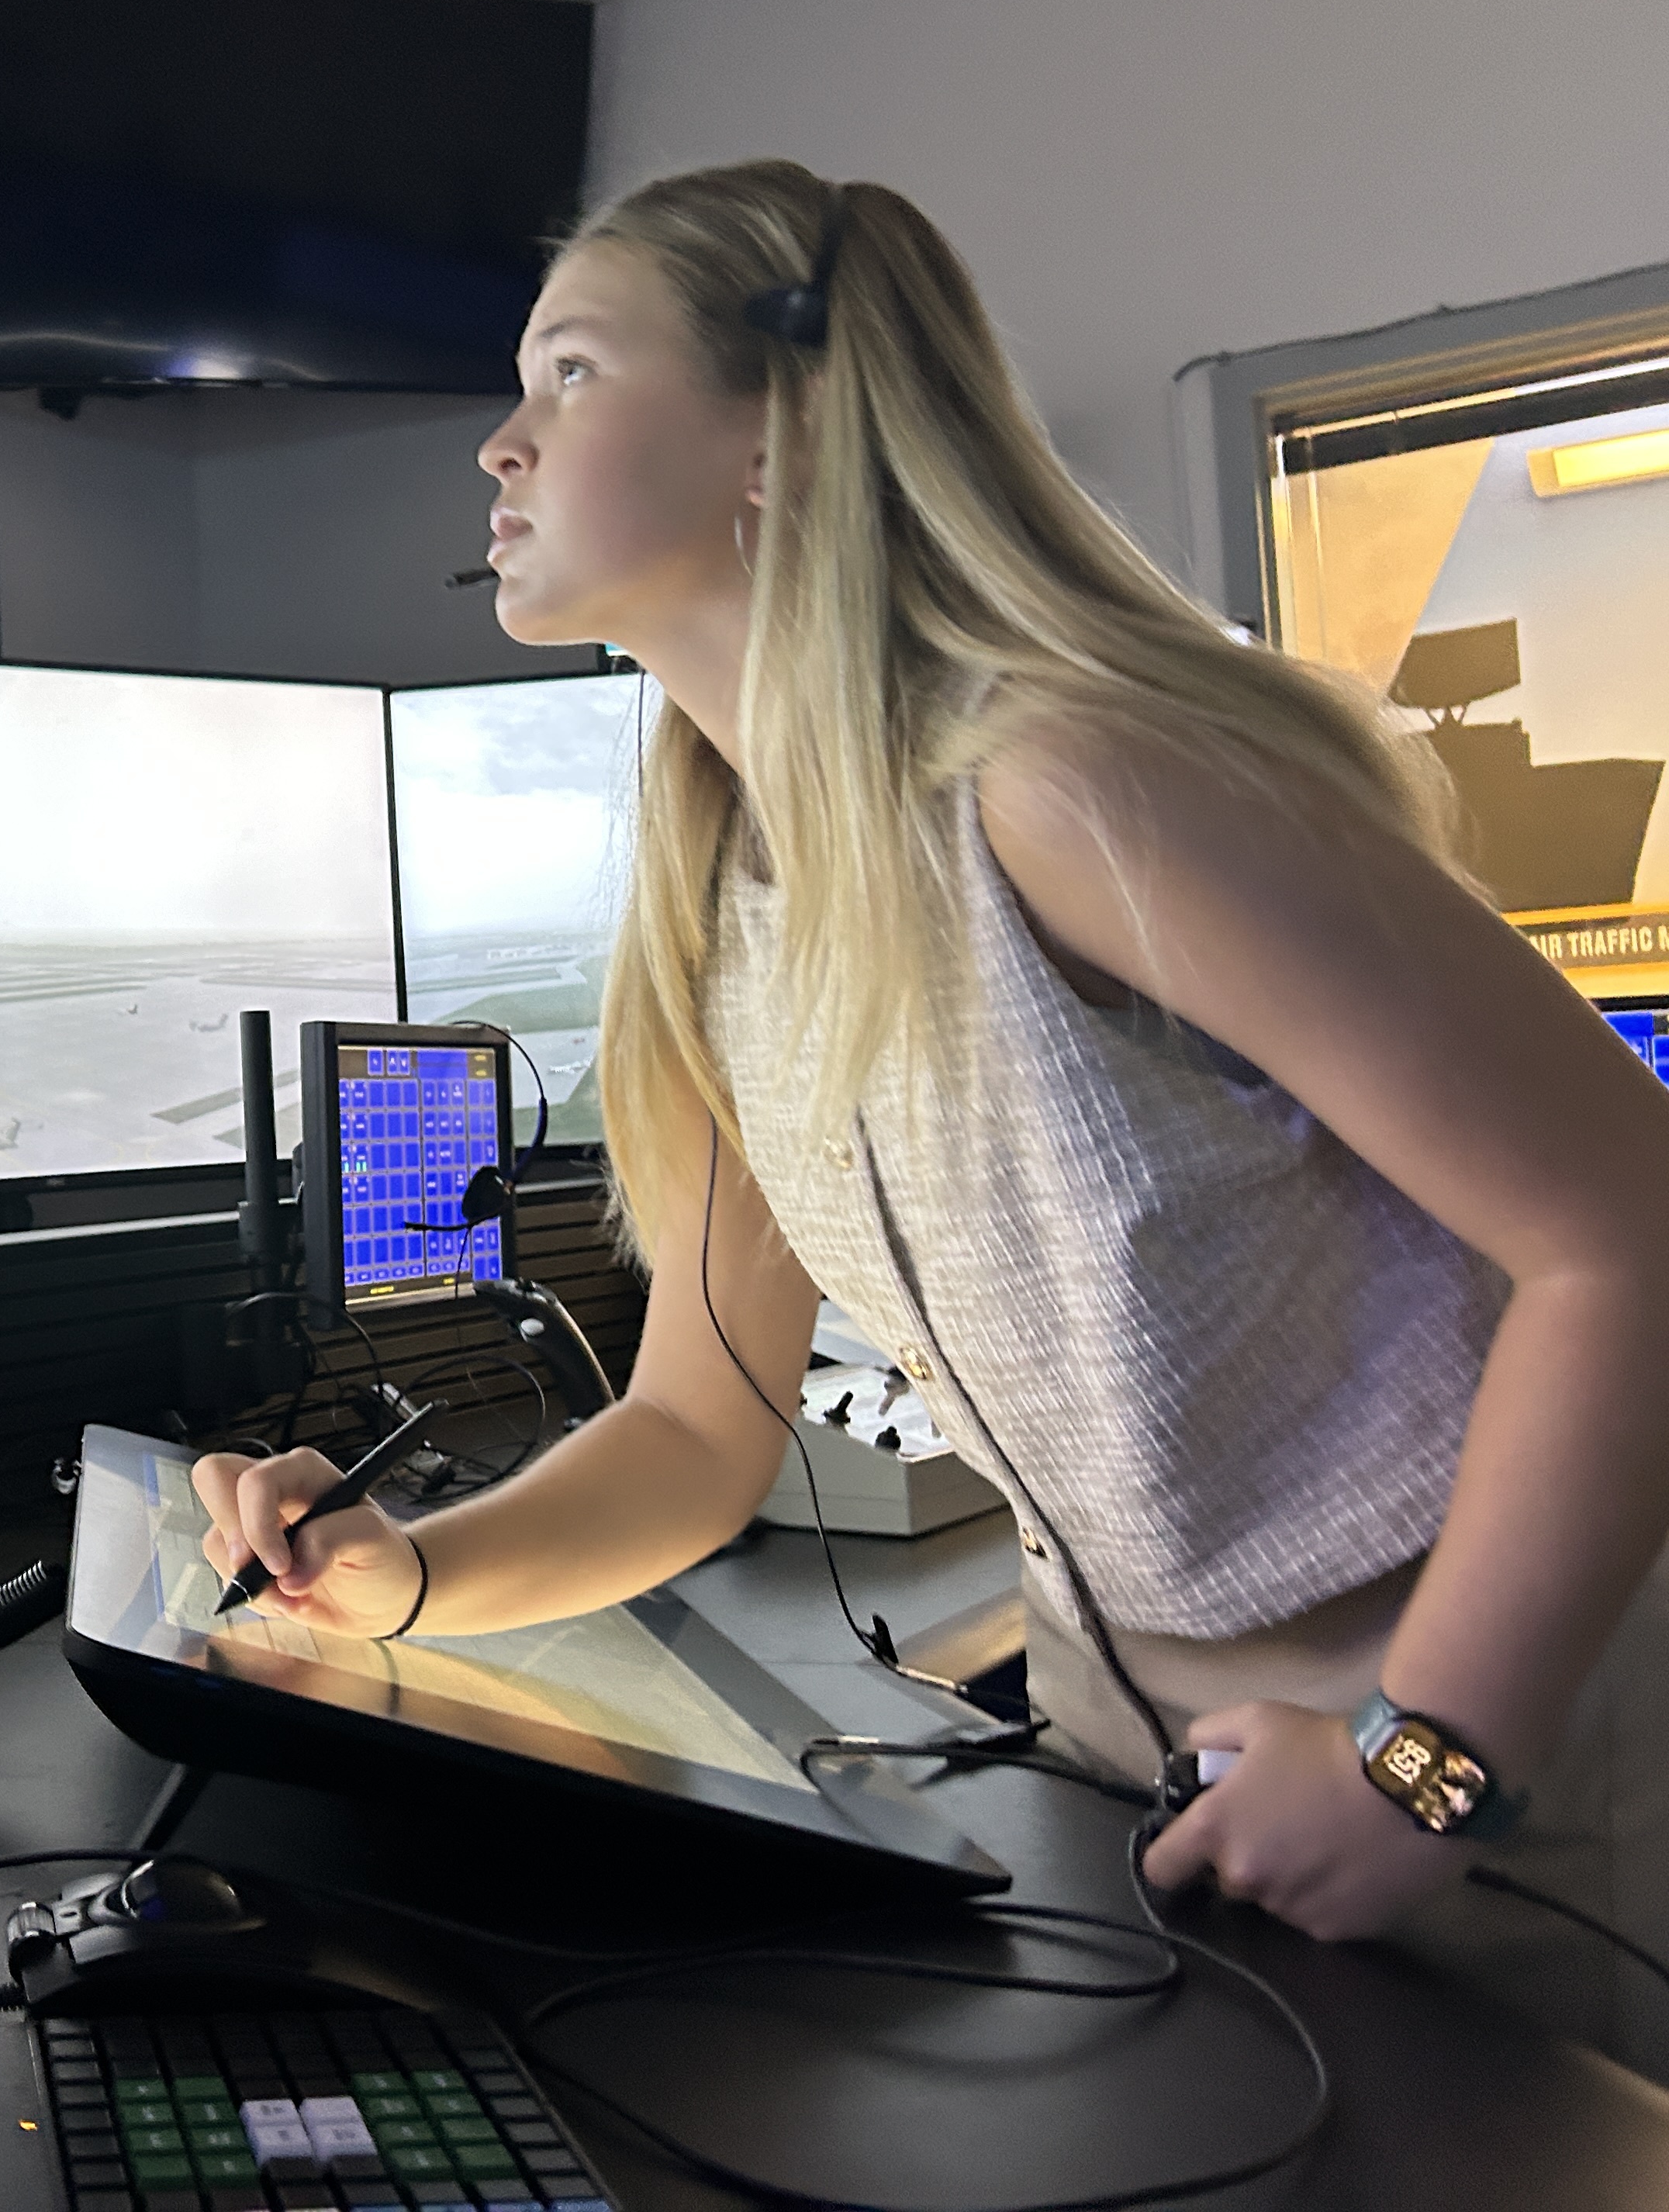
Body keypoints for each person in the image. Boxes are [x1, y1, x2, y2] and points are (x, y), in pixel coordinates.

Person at [192, 158, 1669, 2077]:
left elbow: (1625, 1230)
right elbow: (694, 1432)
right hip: (1143, 1762)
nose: (499, 445)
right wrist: (413, 1570)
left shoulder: (1070, 780)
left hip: (1499, 1721)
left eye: (568, 373)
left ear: (776, 440)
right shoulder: (735, 896)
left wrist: (1427, 1760)